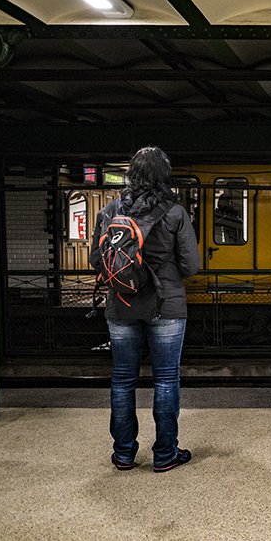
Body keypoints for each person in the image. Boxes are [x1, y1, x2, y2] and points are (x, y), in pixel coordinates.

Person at [89, 146, 200, 473]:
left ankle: (124, 454)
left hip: (121, 305)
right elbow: (191, 266)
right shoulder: (175, 213)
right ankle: (165, 454)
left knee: (123, 381)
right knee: (166, 380)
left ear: (131, 174)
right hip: (166, 306)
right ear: (164, 175)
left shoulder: (109, 212)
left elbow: (96, 261)